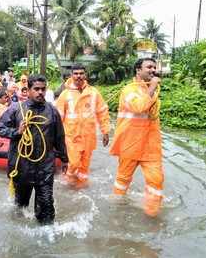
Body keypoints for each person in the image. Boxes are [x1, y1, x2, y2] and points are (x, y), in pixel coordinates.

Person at [0, 75, 68, 224]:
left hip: (45, 168)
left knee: (47, 211)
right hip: (22, 166)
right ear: (28, 90)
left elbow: (59, 137)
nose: (40, 92)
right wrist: (17, 132)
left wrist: (64, 158)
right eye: (36, 89)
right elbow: (0, 128)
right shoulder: (17, 109)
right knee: (20, 207)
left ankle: (46, 240)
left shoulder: (52, 112)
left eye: (43, 89)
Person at [109, 58, 163, 217]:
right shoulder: (129, 90)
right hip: (130, 144)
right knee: (122, 181)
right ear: (138, 70)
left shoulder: (152, 90)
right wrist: (152, 86)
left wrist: (152, 88)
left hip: (150, 146)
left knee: (156, 181)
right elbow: (139, 107)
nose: (153, 70)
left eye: (154, 67)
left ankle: (152, 215)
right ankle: (116, 212)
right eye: (149, 67)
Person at [56, 64, 110, 188]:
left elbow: (102, 112)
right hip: (71, 137)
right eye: (76, 73)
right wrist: (55, 139)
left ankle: (81, 188)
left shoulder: (94, 92)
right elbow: (58, 117)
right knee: (73, 163)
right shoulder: (65, 94)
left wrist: (105, 131)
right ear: (71, 75)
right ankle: (67, 185)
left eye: (81, 73)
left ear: (85, 75)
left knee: (84, 166)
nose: (78, 76)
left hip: (88, 136)